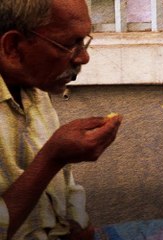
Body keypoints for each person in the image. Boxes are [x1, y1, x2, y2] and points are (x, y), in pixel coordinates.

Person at [0, 0, 122, 239]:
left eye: (84, 41)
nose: (83, 58)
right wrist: (52, 158)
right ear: (13, 47)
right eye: (70, 44)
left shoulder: (34, 88)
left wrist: (80, 225)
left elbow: (65, 191)